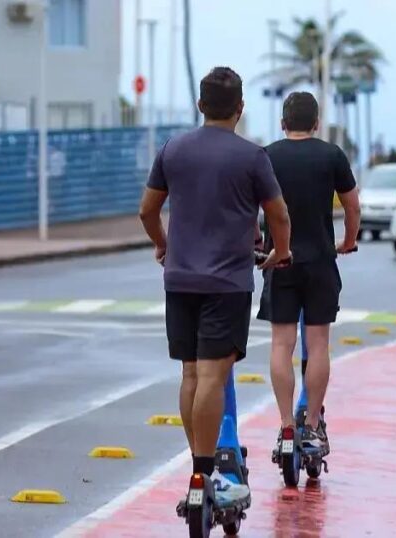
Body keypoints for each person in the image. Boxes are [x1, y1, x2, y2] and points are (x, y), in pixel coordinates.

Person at [139, 67, 292, 505]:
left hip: (180, 279)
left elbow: (148, 211)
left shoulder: (173, 149)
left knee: (190, 374)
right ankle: (206, 477)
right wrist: (280, 252)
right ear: (240, 108)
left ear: (200, 105)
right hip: (227, 282)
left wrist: (163, 244)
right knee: (211, 376)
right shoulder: (252, 157)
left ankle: (197, 472)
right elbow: (279, 215)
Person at [258, 91, 361, 452]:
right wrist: (348, 241)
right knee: (317, 345)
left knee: (281, 344)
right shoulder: (332, 155)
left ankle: (286, 426)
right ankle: (313, 426)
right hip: (320, 260)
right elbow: (352, 207)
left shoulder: (267, 156)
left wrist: (259, 243)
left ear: (283, 123)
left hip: (280, 258)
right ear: (316, 123)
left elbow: (251, 207)